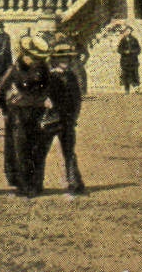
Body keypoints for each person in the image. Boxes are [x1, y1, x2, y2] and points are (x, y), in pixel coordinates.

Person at [0, 35, 53, 197]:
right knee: (20, 151)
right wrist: (7, 110)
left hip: (37, 115)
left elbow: (48, 89)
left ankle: (36, 183)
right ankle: (23, 185)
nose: (36, 61)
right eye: (33, 58)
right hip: (18, 116)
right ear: (25, 55)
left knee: (37, 149)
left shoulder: (43, 70)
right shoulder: (13, 70)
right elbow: (0, 91)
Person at [44, 42, 89, 197]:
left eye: (67, 58)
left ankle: (74, 183)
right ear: (55, 60)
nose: (65, 61)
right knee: (41, 151)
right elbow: (41, 97)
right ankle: (34, 183)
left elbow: (77, 99)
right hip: (50, 120)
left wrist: (74, 116)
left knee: (69, 152)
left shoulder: (71, 76)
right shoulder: (48, 76)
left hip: (67, 120)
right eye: (62, 58)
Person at [117, 25, 142, 94]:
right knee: (125, 75)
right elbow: (119, 50)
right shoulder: (122, 40)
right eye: (126, 31)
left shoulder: (134, 40)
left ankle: (136, 89)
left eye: (129, 31)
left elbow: (138, 50)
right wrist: (124, 51)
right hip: (125, 61)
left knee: (134, 74)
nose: (127, 32)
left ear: (131, 31)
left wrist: (132, 52)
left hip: (133, 60)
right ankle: (126, 90)